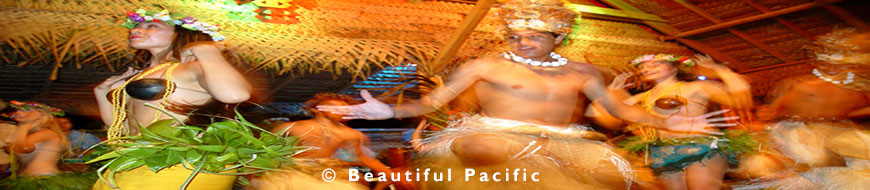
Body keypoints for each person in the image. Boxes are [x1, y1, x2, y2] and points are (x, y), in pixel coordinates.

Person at [318, 0, 731, 189]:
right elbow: (429, 104)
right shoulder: (486, 64)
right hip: (498, 134)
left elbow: (616, 108)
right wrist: (385, 112)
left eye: (533, 35)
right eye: (516, 35)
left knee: (611, 178)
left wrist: (665, 121)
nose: (523, 41)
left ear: (558, 36)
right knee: (482, 148)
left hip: (565, 142)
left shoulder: (584, 71)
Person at [91, 8, 251, 190]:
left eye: (151, 26)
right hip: (140, 159)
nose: (135, 30)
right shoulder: (140, 75)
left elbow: (235, 94)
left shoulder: (191, 68)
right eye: (136, 26)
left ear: (181, 34)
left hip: (180, 164)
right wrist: (102, 93)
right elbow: (121, 130)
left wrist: (206, 51)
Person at [734, 28, 870, 189]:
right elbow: (771, 112)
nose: (832, 69)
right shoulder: (805, 87)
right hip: (803, 134)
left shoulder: (856, 89)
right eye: (827, 64)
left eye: (837, 65)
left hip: (834, 133)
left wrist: (840, 118)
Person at [607, 54, 753, 190]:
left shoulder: (696, 87)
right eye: (643, 66)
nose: (647, 68)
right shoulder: (642, 97)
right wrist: (613, 93)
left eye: (656, 63)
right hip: (663, 150)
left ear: (674, 67)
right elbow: (613, 117)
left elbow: (740, 101)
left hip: (701, 146)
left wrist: (722, 71)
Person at [253, 93, 414, 190]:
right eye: (331, 106)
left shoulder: (352, 134)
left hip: (328, 176)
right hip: (292, 174)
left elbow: (361, 157)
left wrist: (389, 174)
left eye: (343, 108)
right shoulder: (292, 127)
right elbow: (262, 153)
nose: (338, 110)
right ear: (316, 109)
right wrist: (253, 178)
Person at [4, 101, 68, 176]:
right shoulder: (26, 134)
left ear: (40, 114)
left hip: (43, 177)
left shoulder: (48, 133)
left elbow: (23, 148)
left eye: (26, 110)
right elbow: (12, 148)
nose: (18, 112)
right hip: (25, 177)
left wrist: (24, 124)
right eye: (18, 110)